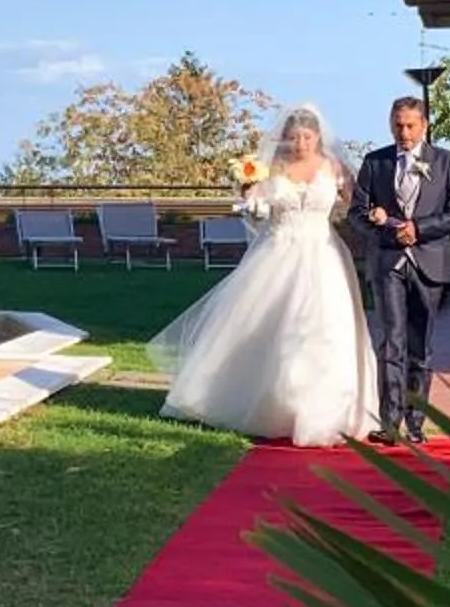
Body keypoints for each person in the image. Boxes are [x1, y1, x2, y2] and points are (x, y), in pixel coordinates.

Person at [150, 103, 380, 446]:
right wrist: (251, 198)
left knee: (326, 331)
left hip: (324, 255)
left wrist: (377, 218)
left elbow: (358, 204)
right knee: (271, 327)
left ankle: (325, 409)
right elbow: (255, 209)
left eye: (307, 137)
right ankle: (267, 404)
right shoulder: (271, 168)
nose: (301, 143)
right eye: (295, 137)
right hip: (278, 254)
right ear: (285, 138)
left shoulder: (334, 167)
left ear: (318, 137)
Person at [350, 96, 450, 444]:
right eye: (398, 125)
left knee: (420, 346)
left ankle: (416, 424)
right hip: (388, 264)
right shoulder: (375, 162)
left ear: (424, 126)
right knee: (392, 342)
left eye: (410, 126)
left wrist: (419, 229)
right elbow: (356, 214)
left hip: (429, 264)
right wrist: (385, 231)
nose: (403, 133)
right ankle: (389, 424)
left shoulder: (445, 161)